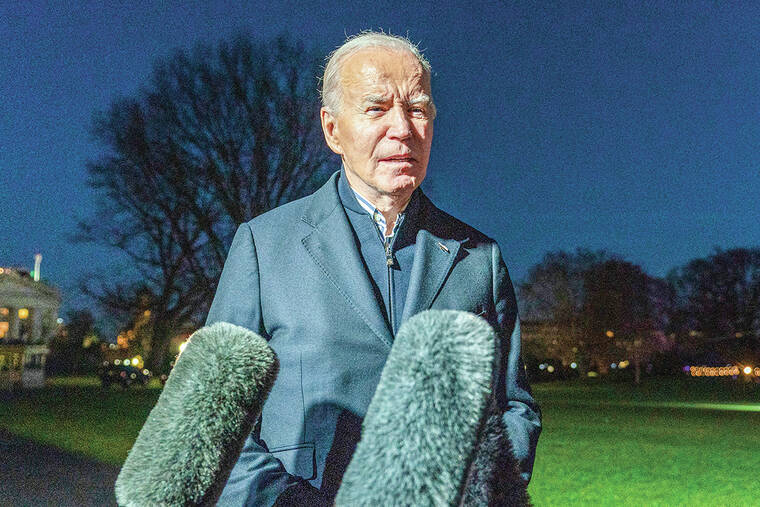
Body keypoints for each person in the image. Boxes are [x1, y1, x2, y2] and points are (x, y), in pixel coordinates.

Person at [206, 31, 541, 506]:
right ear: (332, 130)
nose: (402, 128)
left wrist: (480, 489)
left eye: (418, 109)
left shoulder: (479, 258)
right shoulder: (264, 245)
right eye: (376, 108)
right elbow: (216, 425)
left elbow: (515, 408)